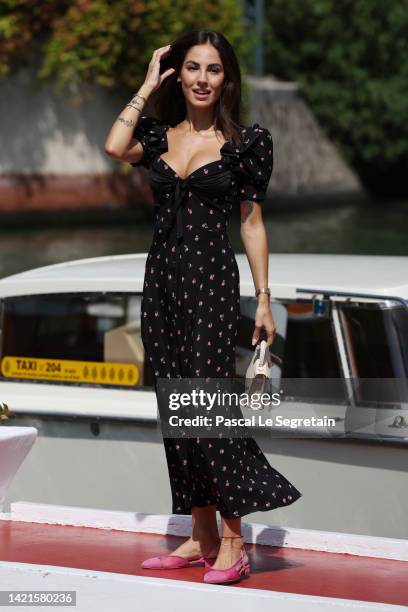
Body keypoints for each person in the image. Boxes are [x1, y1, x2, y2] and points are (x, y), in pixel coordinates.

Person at [105, 29, 302, 585]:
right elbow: (114, 148)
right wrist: (146, 86)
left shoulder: (247, 142)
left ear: (226, 79)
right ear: (179, 73)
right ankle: (201, 534)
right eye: (192, 67)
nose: (201, 79)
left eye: (212, 70)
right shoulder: (156, 134)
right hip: (161, 282)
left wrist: (263, 299)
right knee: (177, 408)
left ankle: (235, 541)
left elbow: (252, 223)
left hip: (212, 283)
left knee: (209, 406)